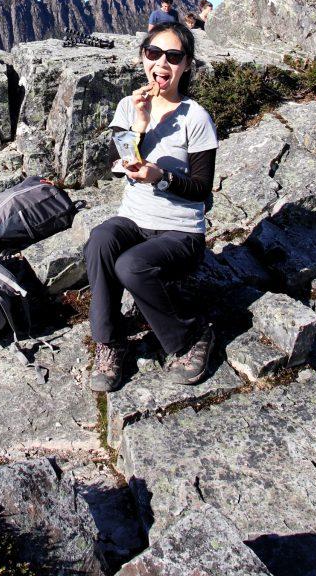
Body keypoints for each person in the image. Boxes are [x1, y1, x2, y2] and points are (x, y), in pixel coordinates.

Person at [83, 21, 218, 391]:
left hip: (181, 232)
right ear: (143, 57)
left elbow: (201, 190)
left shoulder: (196, 117)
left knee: (132, 265)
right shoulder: (130, 105)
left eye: (173, 56)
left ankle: (192, 336)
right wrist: (139, 125)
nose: (162, 63)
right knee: (99, 240)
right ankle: (110, 343)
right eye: (154, 53)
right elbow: (116, 162)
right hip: (135, 219)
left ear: (187, 64)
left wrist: (162, 176)